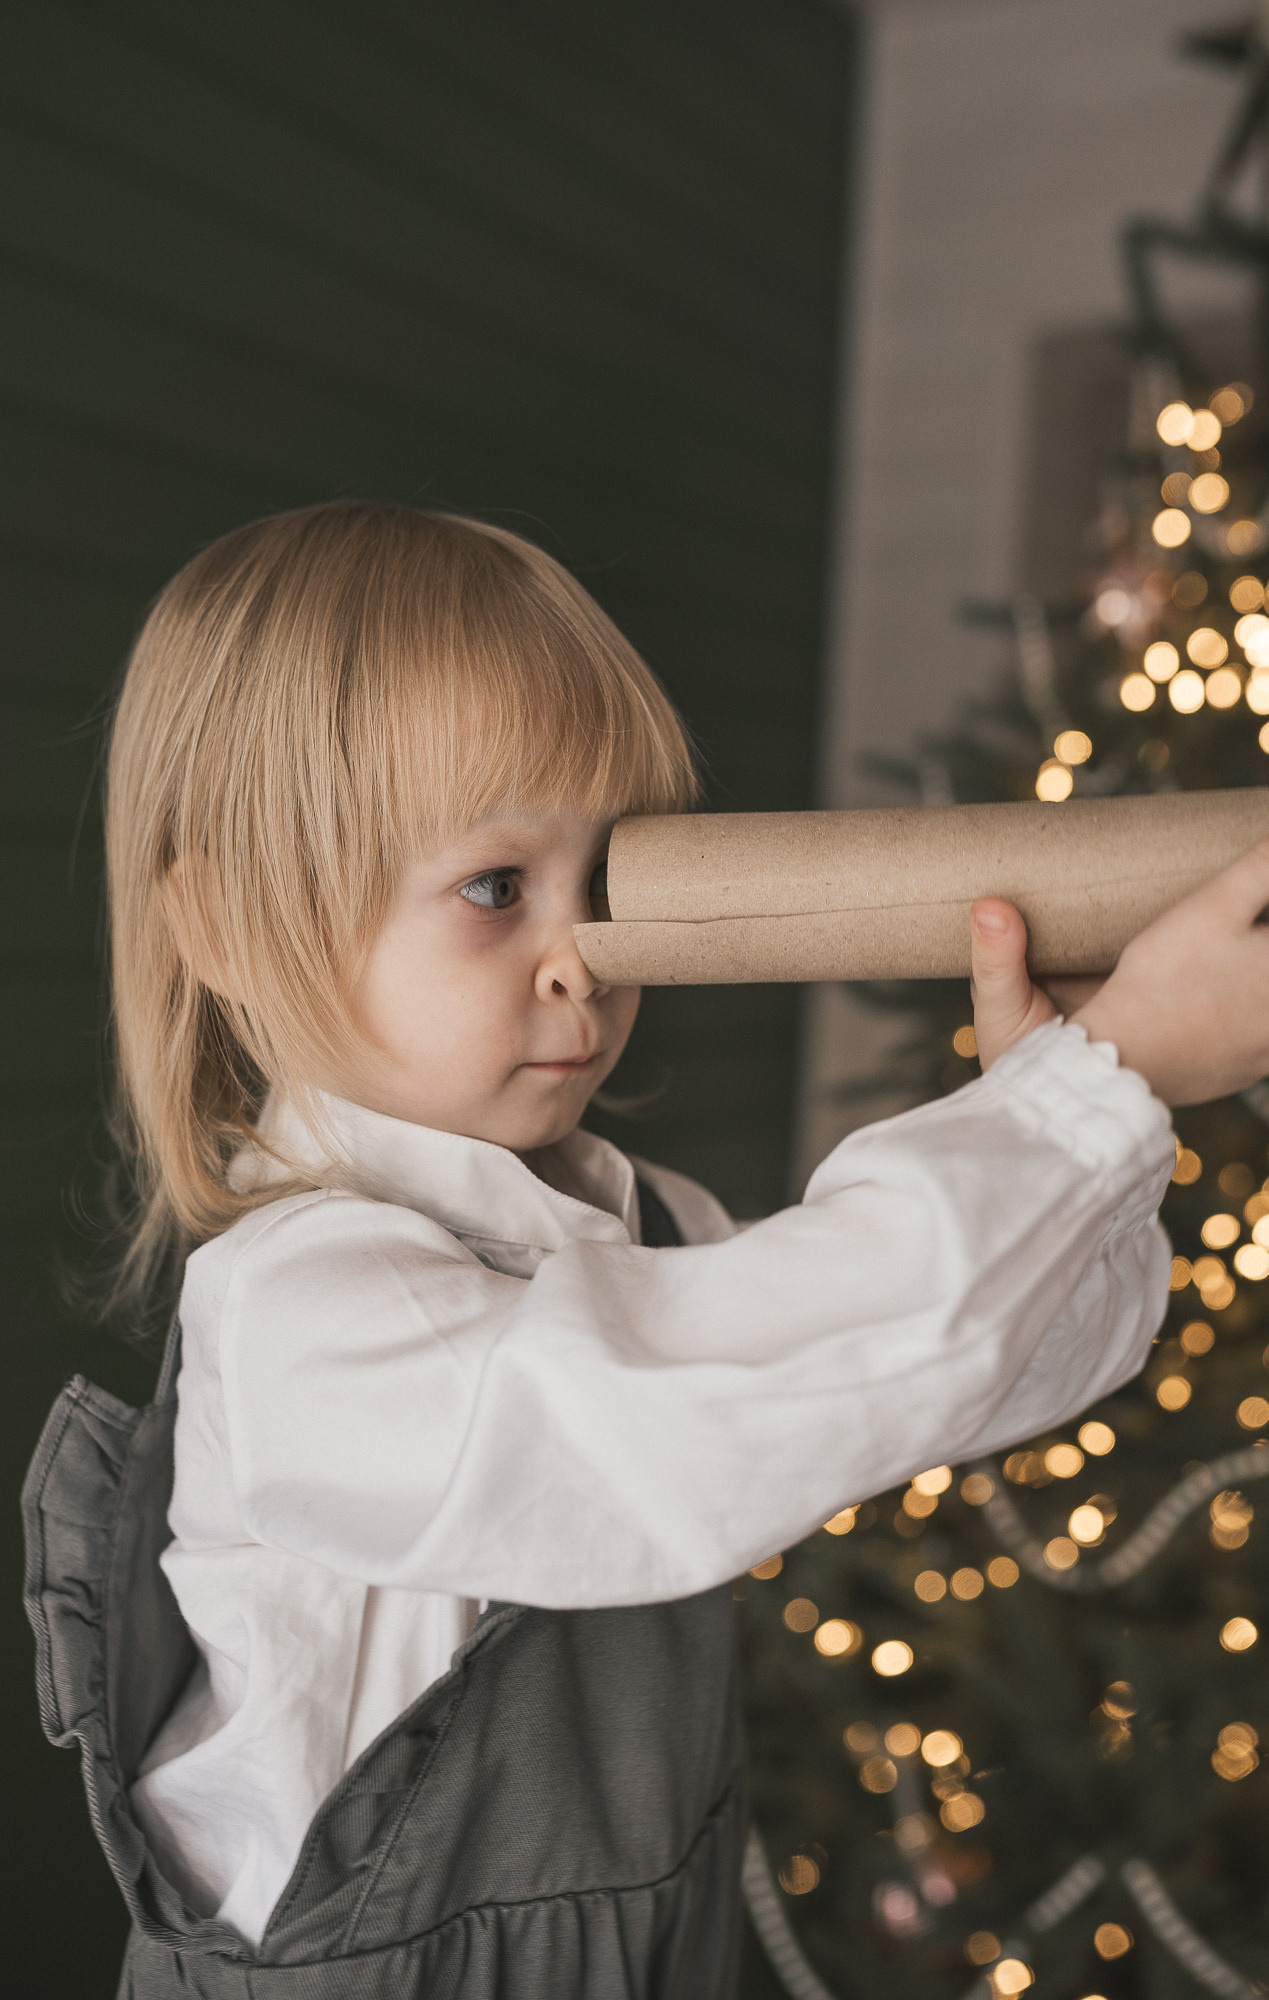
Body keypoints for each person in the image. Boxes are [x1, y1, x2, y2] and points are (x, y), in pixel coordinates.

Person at [24, 500, 1269, 1999]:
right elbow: (678, 1421)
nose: (582, 962)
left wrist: (1063, 1106)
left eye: (606, 883)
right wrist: (1095, 1090)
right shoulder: (306, 1314)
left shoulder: (641, 1223)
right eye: (496, 889)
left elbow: (907, 1371)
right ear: (226, 923)